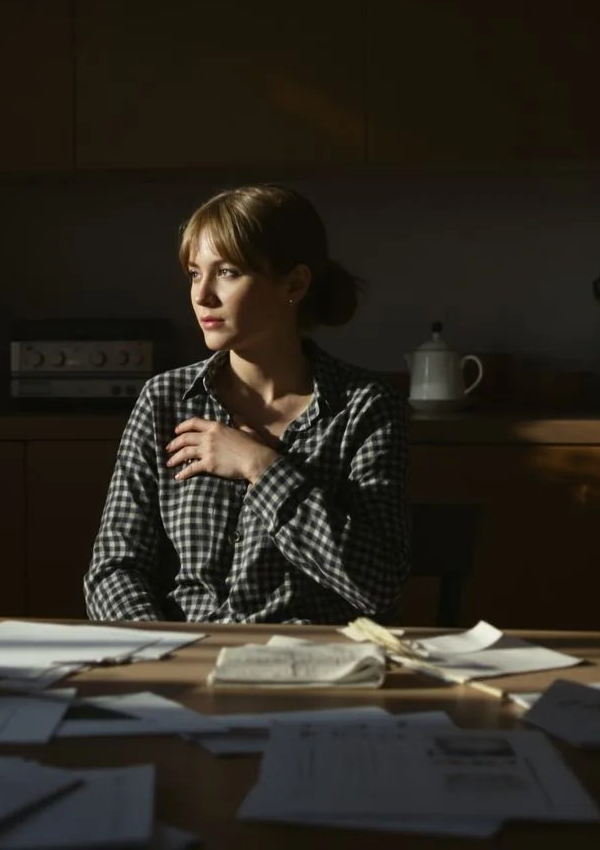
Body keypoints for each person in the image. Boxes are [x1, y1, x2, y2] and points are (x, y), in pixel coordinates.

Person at [83, 184, 411, 625]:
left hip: (309, 672)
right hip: (182, 664)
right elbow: (114, 570)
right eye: (195, 274)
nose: (202, 297)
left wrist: (263, 468)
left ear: (293, 284)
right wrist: (161, 649)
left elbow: (379, 586)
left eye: (228, 272)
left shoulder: (365, 409)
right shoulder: (164, 401)